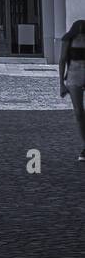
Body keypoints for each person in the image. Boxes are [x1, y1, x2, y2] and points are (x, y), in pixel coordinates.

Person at [58, 20, 85, 162]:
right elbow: (62, 60)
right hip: (74, 74)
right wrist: (61, 84)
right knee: (79, 112)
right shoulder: (68, 39)